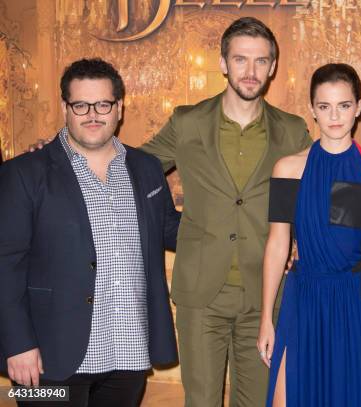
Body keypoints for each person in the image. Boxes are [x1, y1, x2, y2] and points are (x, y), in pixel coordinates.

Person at [140, 17, 312, 406]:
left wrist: (304, 241)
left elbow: (317, 194)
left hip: (267, 295)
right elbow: (132, 167)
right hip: (202, 293)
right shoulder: (187, 122)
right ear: (223, 64)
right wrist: (69, 155)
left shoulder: (293, 130)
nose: (250, 72)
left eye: (260, 61)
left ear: (272, 67)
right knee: (200, 401)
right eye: (240, 60)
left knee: (255, 402)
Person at [0, 58, 180, 406]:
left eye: (103, 104)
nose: (92, 114)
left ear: (119, 108)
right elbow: (4, 265)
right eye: (81, 105)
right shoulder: (23, 173)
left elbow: (171, 229)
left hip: (127, 353)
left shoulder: (145, 168)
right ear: (65, 107)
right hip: (46, 359)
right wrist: (17, 343)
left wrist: (255, 233)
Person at [257, 63, 361, 407]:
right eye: (324, 106)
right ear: (312, 110)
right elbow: (278, 244)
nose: (335, 116)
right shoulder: (289, 168)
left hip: (355, 301)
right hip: (302, 298)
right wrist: (266, 318)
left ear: (359, 107)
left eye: (344, 105)